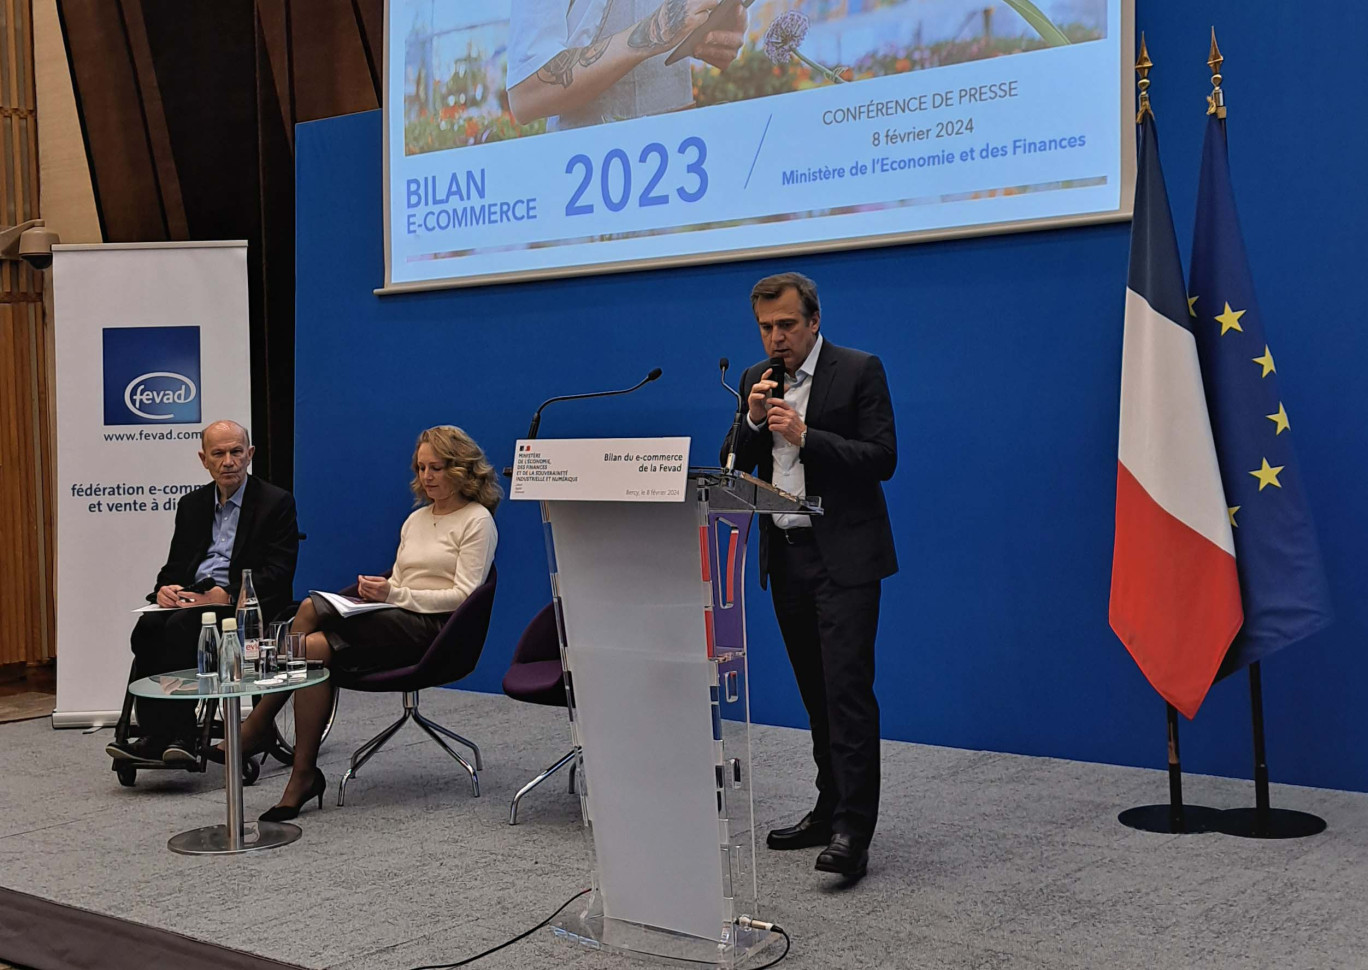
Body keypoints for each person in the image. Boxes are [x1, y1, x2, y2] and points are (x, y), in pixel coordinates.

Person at [229, 426, 501, 822]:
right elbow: (406, 580)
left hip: (435, 632)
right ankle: (299, 770)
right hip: (393, 619)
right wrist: (384, 589)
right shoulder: (416, 520)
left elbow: (464, 596)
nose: (426, 477)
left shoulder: (477, 520)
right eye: (421, 467)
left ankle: (258, 726)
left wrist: (394, 596)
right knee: (311, 639)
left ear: (461, 469)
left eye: (436, 468)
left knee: (309, 625)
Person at [720, 272, 897, 879]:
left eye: (787, 325)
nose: (777, 338)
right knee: (816, 695)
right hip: (787, 557)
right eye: (767, 327)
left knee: (847, 692)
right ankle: (827, 809)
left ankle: (854, 829)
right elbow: (733, 464)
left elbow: (882, 458)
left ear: (814, 321)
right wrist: (749, 423)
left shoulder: (858, 369)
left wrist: (806, 435)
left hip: (844, 559)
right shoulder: (754, 380)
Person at [108, 420, 299, 764]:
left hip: (243, 606)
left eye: (236, 452)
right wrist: (164, 590)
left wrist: (227, 595)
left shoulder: (276, 503)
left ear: (250, 455)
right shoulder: (192, 505)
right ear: (204, 459)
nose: (228, 461)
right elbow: (175, 566)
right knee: (149, 630)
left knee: (184, 629)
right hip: (192, 599)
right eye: (219, 453)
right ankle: (157, 732)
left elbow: (279, 571)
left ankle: (180, 733)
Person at [506, 0, 747, 128]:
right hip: (587, 173)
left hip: (680, 159)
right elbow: (526, 93)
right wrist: (654, 31)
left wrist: (712, 29)